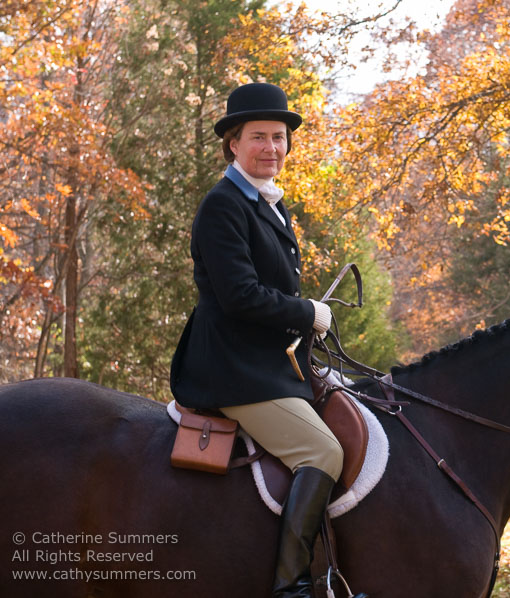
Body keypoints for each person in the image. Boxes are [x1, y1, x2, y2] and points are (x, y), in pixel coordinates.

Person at [170, 82, 365, 598]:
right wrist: (308, 313)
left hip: (270, 362)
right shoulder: (223, 205)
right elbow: (241, 297)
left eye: (279, 138)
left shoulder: (270, 203)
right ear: (233, 143)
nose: (271, 148)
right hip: (232, 367)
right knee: (323, 452)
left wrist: (304, 322)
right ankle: (291, 587)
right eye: (258, 137)